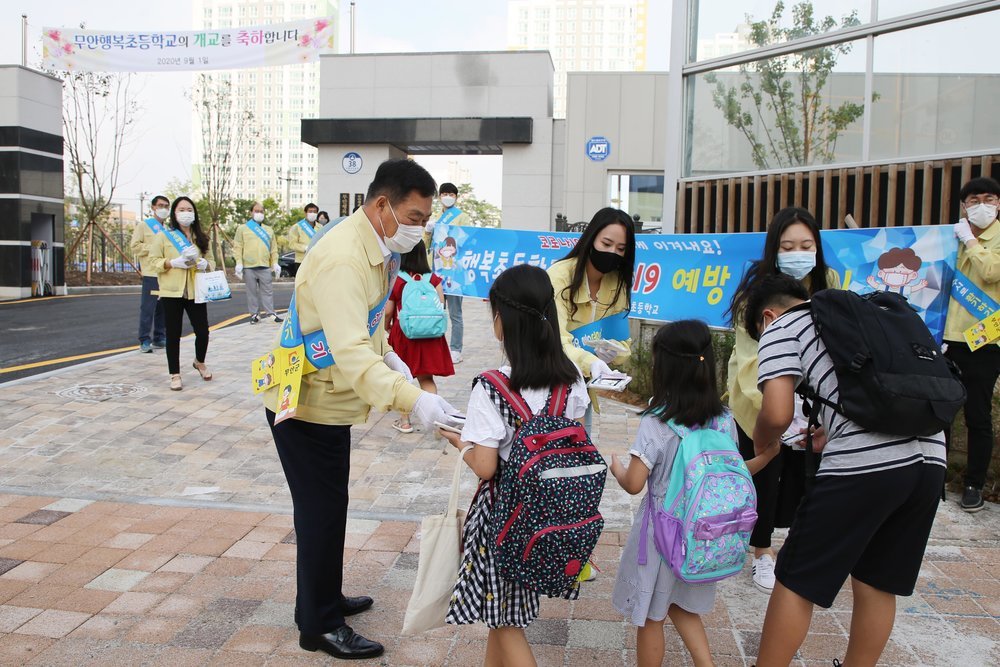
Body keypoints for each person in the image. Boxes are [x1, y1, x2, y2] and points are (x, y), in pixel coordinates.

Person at [261, 159, 458, 660]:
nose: (419, 227)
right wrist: (418, 402)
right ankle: (318, 625)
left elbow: (364, 329)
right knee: (320, 513)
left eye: (424, 217)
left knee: (330, 508)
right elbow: (349, 352)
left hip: (329, 401)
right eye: (413, 215)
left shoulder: (375, 245)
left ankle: (323, 597)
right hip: (307, 406)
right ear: (381, 205)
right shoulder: (346, 258)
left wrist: (390, 357)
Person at [746, 274, 945, 667]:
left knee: (795, 577)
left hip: (865, 463)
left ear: (766, 316)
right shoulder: (862, 319)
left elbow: (777, 411)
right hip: (930, 456)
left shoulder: (782, 325)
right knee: (877, 579)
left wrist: (761, 442)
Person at [439, 263, 589, 667]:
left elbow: (486, 467)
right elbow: (569, 441)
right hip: (550, 515)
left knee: (507, 623)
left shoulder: (491, 387)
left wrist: (457, 439)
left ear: (501, 321)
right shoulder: (571, 379)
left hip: (504, 517)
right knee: (501, 613)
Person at [610, 319, 779, 667]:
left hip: (662, 536)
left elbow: (634, 484)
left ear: (664, 368)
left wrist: (616, 465)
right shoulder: (723, 419)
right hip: (701, 535)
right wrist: (764, 457)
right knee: (681, 606)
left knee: (652, 616)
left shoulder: (657, 421)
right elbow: (731, 474)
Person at [724, 206, 838, 594]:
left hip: (819, 404)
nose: (798, 253)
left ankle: (800, 550)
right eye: (788, 245)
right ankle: (761, 553)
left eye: (806, 245)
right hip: (760, 397)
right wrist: (778, 411)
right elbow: (748, 357)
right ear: (774, 249)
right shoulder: (754, 294)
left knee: (811, 480)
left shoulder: (831, 284)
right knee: (766, 477)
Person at [548, 207, 636, 430]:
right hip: (549, 381)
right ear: (590, 238)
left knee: (579, 450)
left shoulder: (617, 284)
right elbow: (555, 341)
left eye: (621, 248)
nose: (612, 252)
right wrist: (591, 362)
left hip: (583, 387)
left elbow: (624, 342)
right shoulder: (559, 276)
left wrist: (613, 352)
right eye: (606, 244)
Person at [945, 176, 1000, 512]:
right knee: (941, 412)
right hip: (946, 339)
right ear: (964, 206)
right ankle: (935, 478)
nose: (982, 205)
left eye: (989, 198)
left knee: (977, 415)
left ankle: (974, 484)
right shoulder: (949, 238)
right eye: (975, 199)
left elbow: (992, 272)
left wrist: (970, 242)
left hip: (985, 340)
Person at [384, 239, 455, 433]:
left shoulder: (397, 279)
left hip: (405, 334)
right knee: (426, 378)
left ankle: (405, 421)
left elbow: (389, 311)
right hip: (430, 336)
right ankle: (437, 421)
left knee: (402, 378)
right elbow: (440, 306)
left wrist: (386, 327)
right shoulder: (433, 279)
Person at [147, 196, 215, 391]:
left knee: (203, 331)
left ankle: (199, 361)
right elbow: (154, 261)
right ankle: (174, 373)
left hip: (195, 291)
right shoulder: (164, 236)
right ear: (174, 214)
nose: (186, 213)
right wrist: (171, 263)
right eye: (181, 210)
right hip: (172, 292)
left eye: (189, 209)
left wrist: (206, 264)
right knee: (173, 334)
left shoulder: (201, 237)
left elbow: (212, 262)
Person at [429, 183, 470, 364]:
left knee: (455, 313)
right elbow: (426, 244)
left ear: (456, 197)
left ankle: (455, 349)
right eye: (444, 193)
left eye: (451, 194)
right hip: (437, 272)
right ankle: (437, 348)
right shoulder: (435, 217)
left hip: (454, 272)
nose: (447, 196)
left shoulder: (462, 217)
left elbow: (466, 240)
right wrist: (427, 231)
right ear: (439, 197)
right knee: (437, 311)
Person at [131, 195, 170, 353]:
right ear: (153, 207)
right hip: (150, 273)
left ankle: (159, 337)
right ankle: (144, 339)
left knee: (163, 307)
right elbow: (135, 246)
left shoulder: (168, 230)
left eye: (166, 206)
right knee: (148, 307)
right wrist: (153, 247)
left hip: (165, 273)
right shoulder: (144, 226)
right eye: (160, 205)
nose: (164, 209)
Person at [234, 202, 282, 325]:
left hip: (265, 265)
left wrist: (275, 263)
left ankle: (270, 313)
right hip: (249, 266)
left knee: (268, 291)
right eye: (256, 211)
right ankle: (254, 314)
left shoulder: (269, 230)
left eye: (261, 211)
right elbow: (238, 247)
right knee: (251, 292)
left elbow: (273, 249)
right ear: (251, 212)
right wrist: (239, 263)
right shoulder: (243, 229)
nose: (259, 213)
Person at [287, 202, 321, 275]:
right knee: (302, 284)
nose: (313, 213)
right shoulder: (297, 227)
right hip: (301, 260)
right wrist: (305, 248)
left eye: (315, 212)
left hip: (316, 260)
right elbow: (292, 244)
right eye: (310, 211)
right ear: (305, 213)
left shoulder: (320, 227)